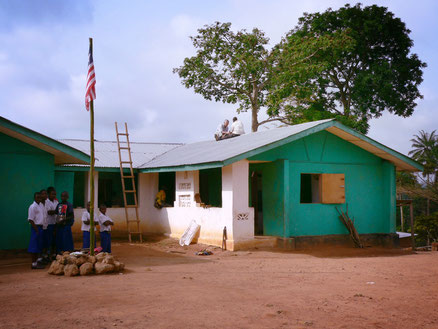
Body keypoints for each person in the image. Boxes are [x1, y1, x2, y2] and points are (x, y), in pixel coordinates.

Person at [28, 192, 45, 269]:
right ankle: (33, 263)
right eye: (37, 197)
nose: (39, 199)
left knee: (39, 245)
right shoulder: (32, 207)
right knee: (34, 246)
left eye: (40, 197)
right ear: (34, 198)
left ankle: (37, 262)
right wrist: (36, 229)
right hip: (36, 227)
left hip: (41, 227)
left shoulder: (41, 205)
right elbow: (31, 220)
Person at [44, 187, 58, 259]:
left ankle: (53, 254)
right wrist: (56, 211)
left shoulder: (56, 202)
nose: (54, 196)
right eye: (52, 194)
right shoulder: (46, 202)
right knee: (48, 240)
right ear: (49, 194)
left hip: (55, 223)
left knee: (54, 240)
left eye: (55, 194)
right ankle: (47, 255)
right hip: (48, 224)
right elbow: (49, 212)